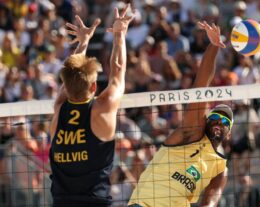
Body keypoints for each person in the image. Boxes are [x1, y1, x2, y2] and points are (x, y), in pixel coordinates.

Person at [128, 21, 231, 207]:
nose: (219, 122)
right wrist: (214, 47)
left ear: (229, 133)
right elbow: (201, 86)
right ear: (206, 120)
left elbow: (211, 200)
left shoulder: (220, 167)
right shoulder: (191, 132)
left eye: (225, 121)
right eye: (215, 117)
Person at [49, 4, 134, 207]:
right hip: (95, 202)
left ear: (66, 88)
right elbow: (118, 71)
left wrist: (83, 43)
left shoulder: (59, 109)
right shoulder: (102, 108)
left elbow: (70, 78)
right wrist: (119, 35)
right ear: (94, 86)